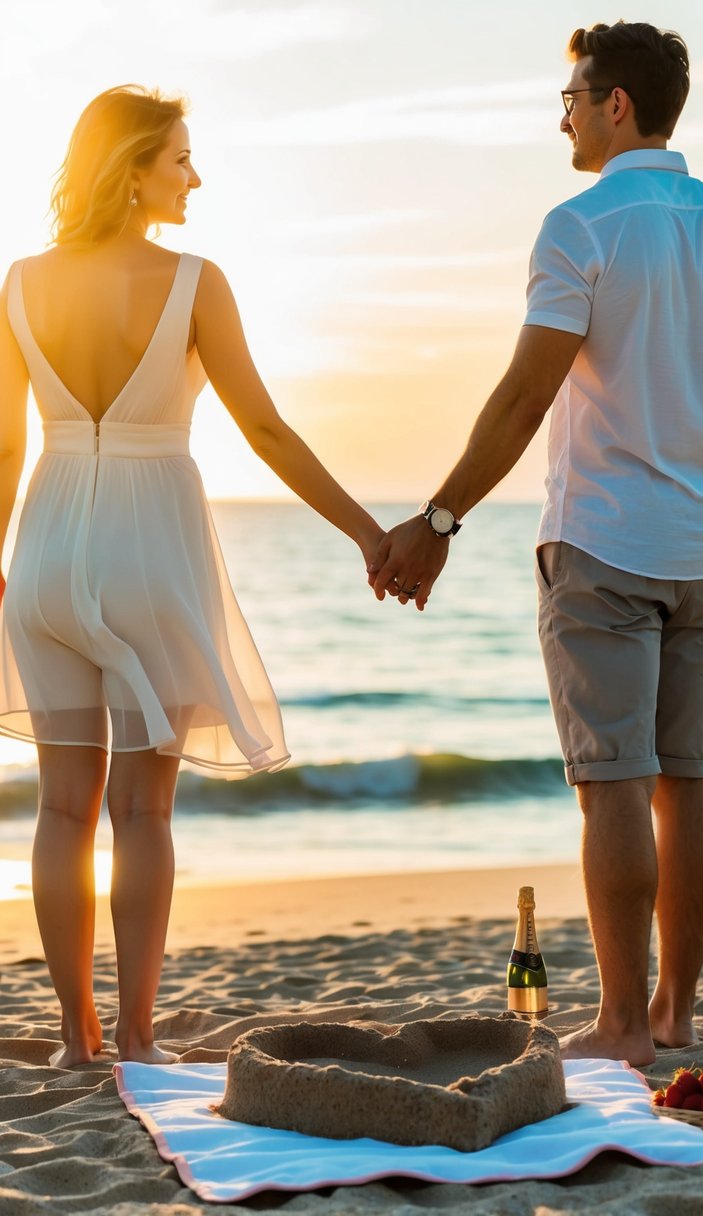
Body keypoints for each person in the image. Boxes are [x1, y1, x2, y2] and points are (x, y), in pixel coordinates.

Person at [369, 21, 703, 1066]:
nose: (557, 112)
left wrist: (435, 520)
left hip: (603, 544)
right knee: (682, 781)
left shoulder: (580, 226)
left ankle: (618, 1023)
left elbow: (523, 396)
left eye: (571, 94)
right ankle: (677, 1016)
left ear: (616, 105)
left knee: (611, 783)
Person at [0, 86, 384, 1068]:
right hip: (151, 543)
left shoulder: (21, 283)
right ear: (132, 171)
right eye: (179, 159)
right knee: (142, 809)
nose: (195, 176)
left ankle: (77, 1037)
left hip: (45, 538)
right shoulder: (195, 280)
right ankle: (134, 1033)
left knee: (61, 806)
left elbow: (4, 447)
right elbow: (262, 428)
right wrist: (364, 533)